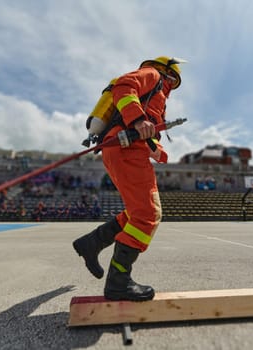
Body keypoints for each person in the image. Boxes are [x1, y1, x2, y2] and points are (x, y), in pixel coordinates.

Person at [73, 56, 185, 301]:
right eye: (172, 79)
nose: (170, 86)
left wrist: (157, 150)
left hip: (126, 149)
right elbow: (124, 86)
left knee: (137, 212)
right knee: (148, 214)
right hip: (126, 149)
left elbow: (147, 131)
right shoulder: (152, 75)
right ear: (164, 72)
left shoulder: (157, 99)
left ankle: (92, 243)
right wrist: (138, 119)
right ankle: (118, 282)